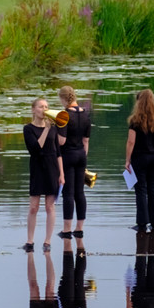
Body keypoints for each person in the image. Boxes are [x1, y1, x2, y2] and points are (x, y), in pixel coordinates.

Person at [23, 97, 64, 252]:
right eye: (41, 106)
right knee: (34, 207)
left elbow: (58, 152)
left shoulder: (53, 128)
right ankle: (30, 241)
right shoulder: (28, 129)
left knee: (50, 207)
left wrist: (62, 174)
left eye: (46, 106)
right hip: (37, 168)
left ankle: (47, 241)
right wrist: (46, 129)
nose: (44, 109)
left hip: (52, 168)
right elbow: (35, 148)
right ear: (34, 109)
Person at [124, 89, 154, 232]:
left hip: (140, 158)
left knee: (140, 190)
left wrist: (127, 160)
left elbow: (131, 142)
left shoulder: (135, 121)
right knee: (153, 190)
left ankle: (141, 223)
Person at [57, 86, 91, 240]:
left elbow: (62, 141)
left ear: (63, 99)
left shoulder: (64, 115)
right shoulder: (85, 114)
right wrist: (83, 156)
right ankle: (80, 228)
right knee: (80, 192)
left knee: (68, 193)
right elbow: (86, 140)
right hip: (81, 155)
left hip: (68, 155)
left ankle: (66, 229)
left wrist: (53, 129)